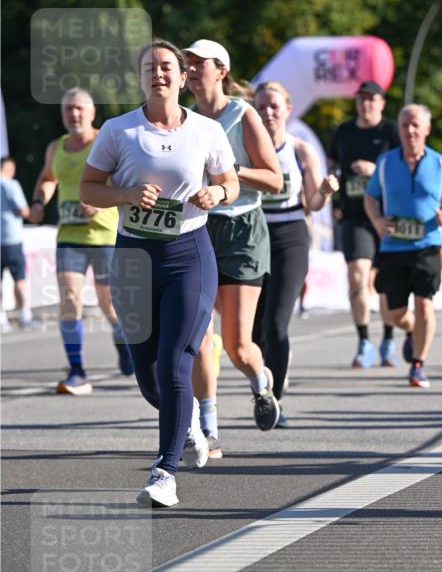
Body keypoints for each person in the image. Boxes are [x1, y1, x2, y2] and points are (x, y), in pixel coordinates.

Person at [80, 39, 239, 507]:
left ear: (184, 76)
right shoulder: (118, 130)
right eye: (151, 68)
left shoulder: (207, 131)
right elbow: (89, 188)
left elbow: (230, 180)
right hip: (133, 256)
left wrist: (219, 196)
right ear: (142, 77)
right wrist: (126, 196)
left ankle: (164, 472)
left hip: (189, 254)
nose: (160, 74)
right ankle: (187, 422)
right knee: (148, 377)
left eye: (168, 67)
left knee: (175, 363)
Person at [184, 38, 284, 437]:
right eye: (187, 63)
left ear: (221, 71)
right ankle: (209, 430)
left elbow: (274, 179)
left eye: (199, 63)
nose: (191, 69)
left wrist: (229, 172)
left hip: (243, 229)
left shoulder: (242, 114)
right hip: (200, 229)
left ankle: (261, 382)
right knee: (199, 339)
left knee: (238, 345)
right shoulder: (185, 119)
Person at [29, 88, 133, 394]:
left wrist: (101, 203)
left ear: (91, 112)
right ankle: (77, 370)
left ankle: (124, 344)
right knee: (70, 301)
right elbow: (48, 178)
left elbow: (125, 185)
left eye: (78, 109)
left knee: (109, 304)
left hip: (104, 236)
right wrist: (38, 202)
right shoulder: (56, 147)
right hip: (70, 236)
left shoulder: (107, 142)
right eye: (67, 110)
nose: (73, 115)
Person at [252, 81, 339, 426]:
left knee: (276, 324)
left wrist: (326, 192)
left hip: (290, 234)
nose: (268, 113)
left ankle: (273, 402)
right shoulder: (247, 148)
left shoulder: (300, 149)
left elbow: (313, 202)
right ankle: (267, 379)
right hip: (254, 234)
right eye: (260, 107)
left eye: (274, 106)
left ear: (288, 109)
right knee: (253, 331)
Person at [364, 104, 442, 389]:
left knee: (424, 304)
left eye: (415, 125)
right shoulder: (385, 163)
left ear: (426, 129)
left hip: (428, 244)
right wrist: (377, 221)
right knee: (392, 314)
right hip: (393, 246)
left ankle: (418, 365)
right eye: (404, 125)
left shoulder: (440, 164)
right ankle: (411, 331)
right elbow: (370, 197)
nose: (410, 130)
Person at [327, 80, 401, 368]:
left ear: (382, 103)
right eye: (361, 99)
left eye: (372, 99)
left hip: (388, 216)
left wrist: (376, 170)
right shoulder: (344, 132)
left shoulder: (392, 131)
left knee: (385, 283)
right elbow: (332, 162)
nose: (366, 104)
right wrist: (332, 183)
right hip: (355, 215)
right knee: (357, 277)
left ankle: (389, 339)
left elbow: (406, 167)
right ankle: (364, 340)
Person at [0, 156, 33, 330]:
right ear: (9, 169)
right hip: (11, 238)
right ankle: (25, 315)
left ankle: (1, 318)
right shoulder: (11, 185)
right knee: (19, 278)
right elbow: (23, 210)